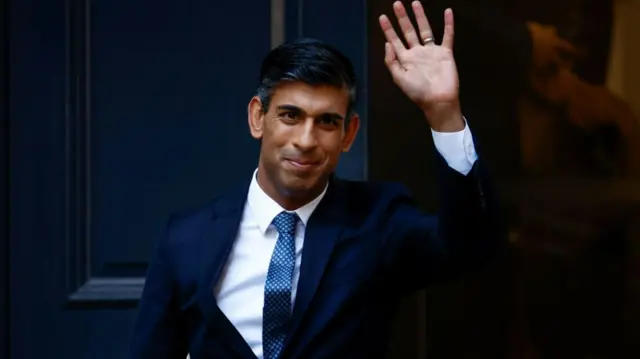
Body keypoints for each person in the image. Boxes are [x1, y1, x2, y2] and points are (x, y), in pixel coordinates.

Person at [128, 2, 504, 358]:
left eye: (326, 121)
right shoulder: (185, 237)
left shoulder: (379, 221)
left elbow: (468, 247)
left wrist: (443, 113)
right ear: (258, 118)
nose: (306, 141)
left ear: (348, 133)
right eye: (290, 116)